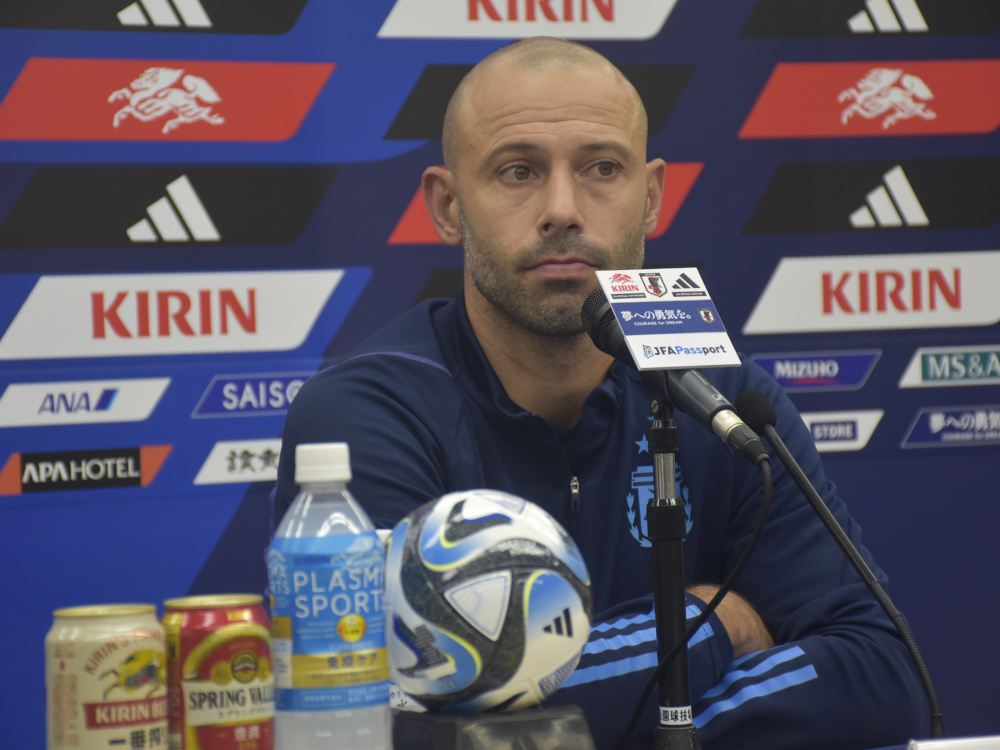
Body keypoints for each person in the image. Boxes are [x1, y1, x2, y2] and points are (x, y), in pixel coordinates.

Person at [274, 37, 926, 749]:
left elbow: (883, 676)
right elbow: (382, 723)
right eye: (518, 171)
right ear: (449, 205)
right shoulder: (367, 413)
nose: (562, 209)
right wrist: (707, 626)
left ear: (651, 198)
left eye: (602, 169)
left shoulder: (723, 401)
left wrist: (636, 723)